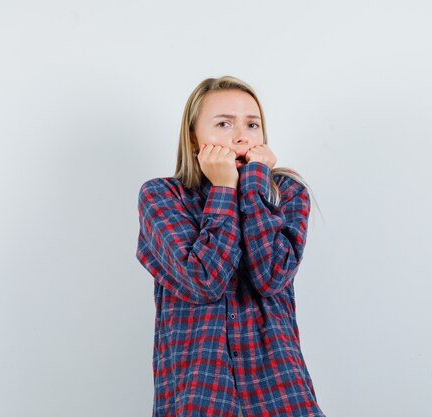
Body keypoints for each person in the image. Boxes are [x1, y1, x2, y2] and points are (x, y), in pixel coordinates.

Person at [136, 75, 326, 417]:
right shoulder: (162, 196)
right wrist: (224, 188)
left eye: (252, 125)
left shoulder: (286, 194)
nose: (241, 136)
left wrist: (252, 186)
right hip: (202, 395)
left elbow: (270, 276)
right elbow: (204, 280)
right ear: (194, 138)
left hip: (281, 394)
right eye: (224, 123)